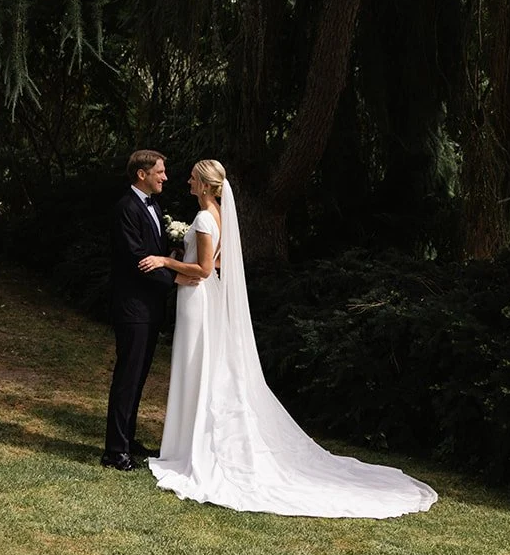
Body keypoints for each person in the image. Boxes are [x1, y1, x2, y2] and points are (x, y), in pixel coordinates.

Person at [137, 160, 437, 518]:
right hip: (202, 295)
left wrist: (166, 262)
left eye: (192, 177)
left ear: (204, 184)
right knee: (200, 366)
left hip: (197, 299)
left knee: (195, 367)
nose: (185, 180)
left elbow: (203, 269)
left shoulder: (204, 219)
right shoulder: (217, 215)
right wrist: (181, 260)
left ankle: (190, 448)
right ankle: (185, 443)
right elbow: (216, 264)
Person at [102, 149, 176, 470]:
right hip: (133, 309)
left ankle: (128, 440)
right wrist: (177, 279)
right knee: (127, 379)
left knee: (139, 378)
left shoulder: (154, 207)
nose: (165, 177)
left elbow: (155, 252)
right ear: (142, 174)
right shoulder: (125, 209)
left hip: (150, 309)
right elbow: (136, 259)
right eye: (159, 172)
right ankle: (114, 451)